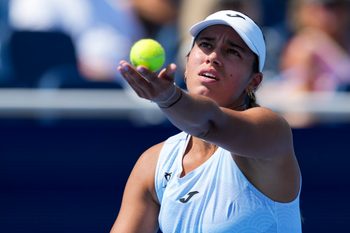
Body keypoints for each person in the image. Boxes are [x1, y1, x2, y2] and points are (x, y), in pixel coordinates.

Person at [111, 10, 302, 233]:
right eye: (206, 45)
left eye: (232, 51)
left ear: (254, 81)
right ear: (187, 61)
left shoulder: (271, 132)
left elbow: (210, 122)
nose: (213, 57)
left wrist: (169, 98)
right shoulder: (152, 164)